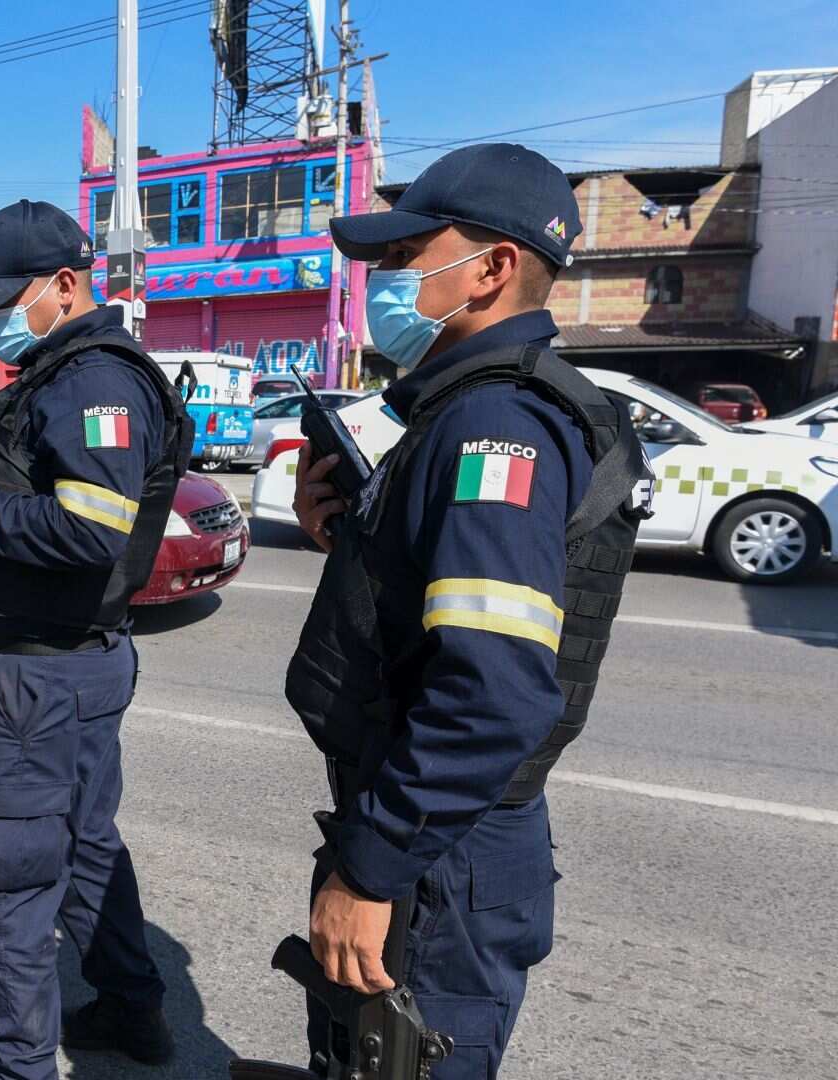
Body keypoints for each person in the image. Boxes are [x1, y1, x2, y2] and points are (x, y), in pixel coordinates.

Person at [285, 144, 653, 1078]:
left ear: (490, 269)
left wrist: (374, 868)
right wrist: (358, 529)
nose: (385, 281)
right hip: (438, 835)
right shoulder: (466, 411)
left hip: (439, 856)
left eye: (406, 260)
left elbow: (493, 693)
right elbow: (448, 601)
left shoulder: (499, 426)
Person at [0, 200, 190, 1080]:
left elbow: (89, 533)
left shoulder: (94, 381)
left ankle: (15, 1066)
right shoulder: (64, 372)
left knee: (10, 874)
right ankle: (133, 1011)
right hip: (83, 663)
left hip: (39, 677)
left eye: (3, 297)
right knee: (89, 842)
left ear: (65, 283)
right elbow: (37, 471)